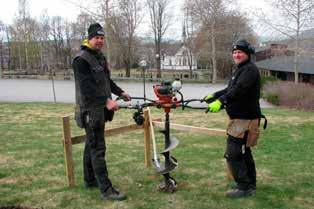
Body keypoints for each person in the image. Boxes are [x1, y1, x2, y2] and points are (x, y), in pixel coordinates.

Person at [72, 23, 131, 201]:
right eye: (97, 38)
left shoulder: (99, 57)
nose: (100, 41)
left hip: (100, 111)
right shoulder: (81, 60)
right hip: (91, 112)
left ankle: (90, 180)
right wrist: (107, 101)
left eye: (102, 38)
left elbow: (106, 81)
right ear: (89, 38)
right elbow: (87, 88)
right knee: (98, 148)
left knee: (91, 145)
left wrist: (120, 92)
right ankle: (107, 190)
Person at [204, 39, 263, 198]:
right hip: (240, 119)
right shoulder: (241, 69)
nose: (236, 55)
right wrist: (214, 96)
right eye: (235, 52)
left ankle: (244, 187)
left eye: (240, 52)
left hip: (245, 119)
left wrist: (221, 101)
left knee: (234, 153)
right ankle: (250, 184)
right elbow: (230, 88)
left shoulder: (250, 70)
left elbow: (239, 89)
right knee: (244, 152)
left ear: (247, 54)